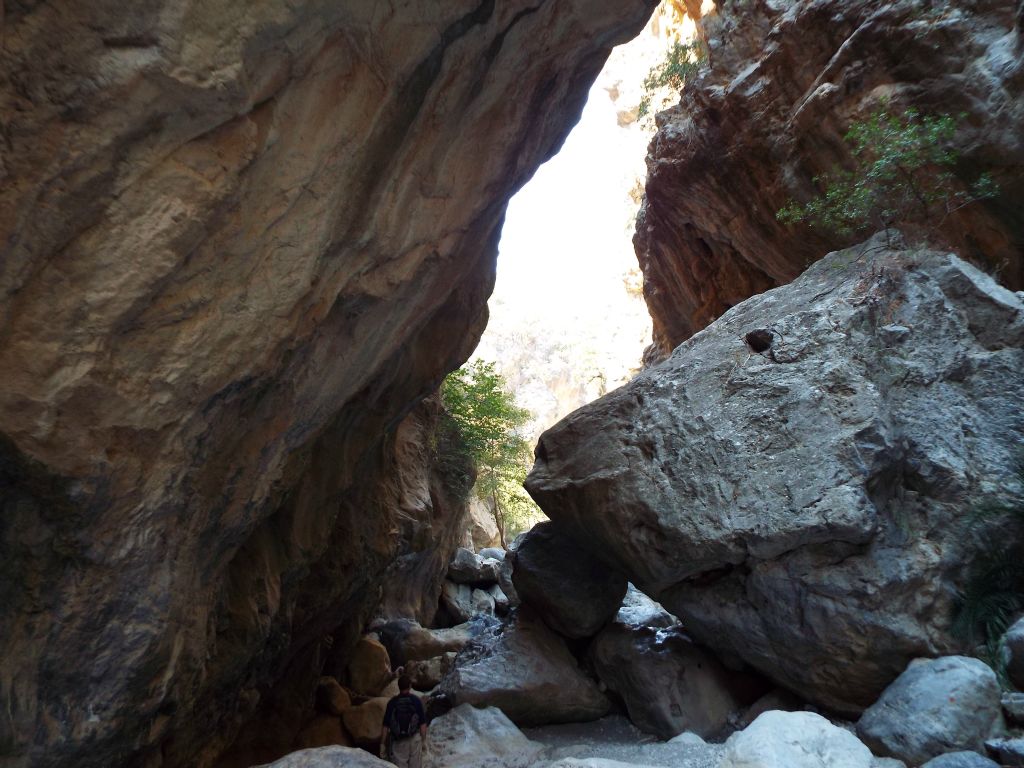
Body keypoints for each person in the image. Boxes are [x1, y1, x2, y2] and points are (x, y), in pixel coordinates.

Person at [380, 674, 428, 767]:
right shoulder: (416, 701)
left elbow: (385, 726)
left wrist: (382, 744)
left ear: (399, 687)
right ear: (410, 686)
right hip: (414, 740)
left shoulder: (392, 703)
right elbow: (422, 724)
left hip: (399, 743)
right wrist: (424, 741)